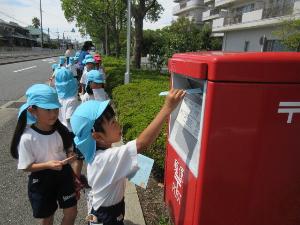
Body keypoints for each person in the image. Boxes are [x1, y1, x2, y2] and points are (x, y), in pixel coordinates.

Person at [70, 89, 185, 225]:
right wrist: (167, 108)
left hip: (109, 211)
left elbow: (137, 171)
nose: (118, 124)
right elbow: (141, 144)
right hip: (106, 218)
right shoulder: (104, 159)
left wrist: (165, 180)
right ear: (97, 136)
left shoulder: (102, 156)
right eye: (113, 122)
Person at [10, 84, 78, 225]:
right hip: (41, 181)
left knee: (71, 211)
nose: (53, 113)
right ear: (32, 110)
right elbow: (25, 167)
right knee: (47, 217)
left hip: (63, 175)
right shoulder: (27, 138)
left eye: (55, 108)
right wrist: (48, 165)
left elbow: (67, 148)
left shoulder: (62, 130)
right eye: (47, 109)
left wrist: (70, 154)